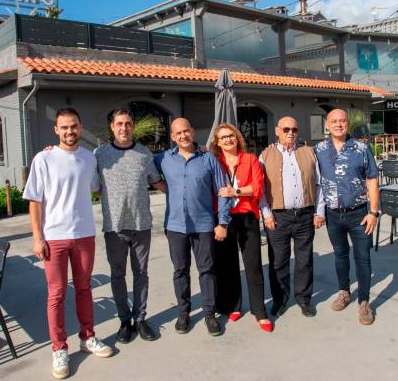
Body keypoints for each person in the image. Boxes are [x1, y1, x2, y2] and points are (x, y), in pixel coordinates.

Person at [23, 108, 112, 380]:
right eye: (64, 127)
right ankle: (59, 349)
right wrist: (37, 237)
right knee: (57, 294)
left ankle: (88, 337)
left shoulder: (88, 158)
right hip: (55, 237)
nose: (69, 131)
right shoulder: (44, 158)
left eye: (74, 126)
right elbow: (35, 202)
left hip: (84, 234)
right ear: (56, 129)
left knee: (84, 289)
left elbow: (97, 187)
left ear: (80, 126)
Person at [94, 107, 167, 344]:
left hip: (141, 224)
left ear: (133, 127)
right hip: (113, 227)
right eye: (119, 124)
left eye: (128, 124)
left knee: (141, 274)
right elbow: (78, 168)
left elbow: (157, 182)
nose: (124, 128)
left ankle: (140, 318)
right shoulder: (99, 154)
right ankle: (124, 320)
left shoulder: (144, 154)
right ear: (112, 127)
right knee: (118, 275)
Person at [154, 118, 231, 336]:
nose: (183, 136)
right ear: (172, 136)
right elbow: (142, 164)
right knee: (180, 271)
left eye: (186, 131)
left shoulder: (208, 158)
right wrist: (158, 184)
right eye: (178, 133)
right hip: (175, 225)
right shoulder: (164, 158)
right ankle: (183, 313)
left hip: (203, 224)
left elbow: (223, 190)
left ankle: (209, 313)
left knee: (206, 270)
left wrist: (222, 222)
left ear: (192, 131)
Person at [315, 109, 380, 326]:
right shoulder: (319, 149)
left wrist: (373, 212)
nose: (338, 124)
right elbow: (316, 181)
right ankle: (344, 292)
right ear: (327, 125)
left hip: (359, 214)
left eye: (342, 121)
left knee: (363, 259)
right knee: (340, 256)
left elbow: (372, 180)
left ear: (347, 123)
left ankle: (364, 301)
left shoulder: (361, 149)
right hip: (333, 215)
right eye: (334, 121)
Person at [259, 116, 325, 319]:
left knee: (304, 261)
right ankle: (280, 300)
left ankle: (304, 298)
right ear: (277, 130)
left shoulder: (309, 152)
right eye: (286, 129)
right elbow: (259, 189)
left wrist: (319, 211)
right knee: (279, 262)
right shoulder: (265, 154)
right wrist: (266, 214)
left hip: (305, 214)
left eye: (294, 129)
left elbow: (319, 184)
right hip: (278, 216)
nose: (290, 133)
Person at [210, 123, 272, 332]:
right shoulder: (214, 162)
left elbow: (257, 188)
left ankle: (259, 311)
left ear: (237, 138)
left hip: (247, 216)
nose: (228, 140)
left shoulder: (250, 159)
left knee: (253, 265)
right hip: (223, 219)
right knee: (227, 265)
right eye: (223, 137)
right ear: (217, 143)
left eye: (231, 136)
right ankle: (232, 305)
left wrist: (235, 191)